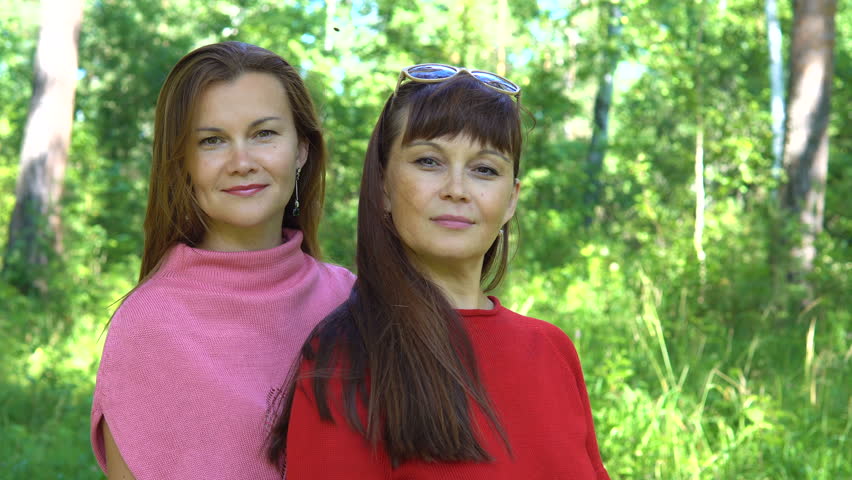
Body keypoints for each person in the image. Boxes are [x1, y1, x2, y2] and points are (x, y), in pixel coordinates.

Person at [267, 64, 610, 479]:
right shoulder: (345, 357)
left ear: (511, 201)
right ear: (384, 187)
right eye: (429, 161)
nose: (457, 189)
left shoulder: (554, 350)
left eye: (485, 169)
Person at [90, 41, 355, 479]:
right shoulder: (148, 325)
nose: (242, 161)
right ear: (184, 163)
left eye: (264, 134)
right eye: (213, 140)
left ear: (302, 150)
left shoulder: (352, 299)